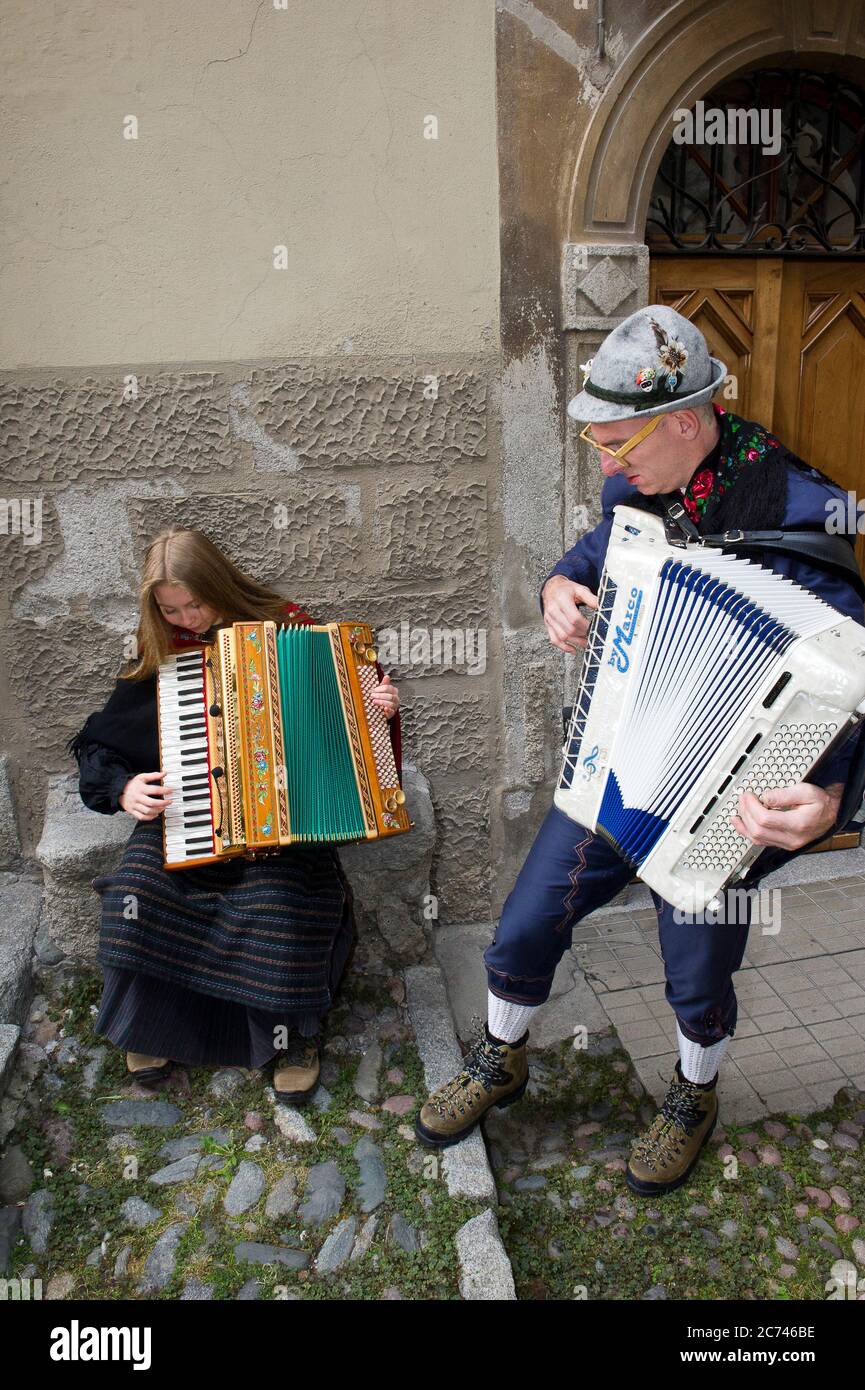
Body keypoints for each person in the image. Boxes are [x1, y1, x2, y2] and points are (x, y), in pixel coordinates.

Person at [415, 304, 865, 1197]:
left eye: (620, 445)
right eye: (600, 448)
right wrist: (558, 584)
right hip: (622, 764)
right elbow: (594, 550)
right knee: (523, 924)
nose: (608, 465)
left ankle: (692, 1095)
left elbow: (853, 685)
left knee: (695, 968)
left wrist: (834, 803)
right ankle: (503, 1053)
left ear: (689, 422)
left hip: (727, 794)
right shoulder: (639, 488)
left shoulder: (807, 517)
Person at [67, 526, 401, 1104]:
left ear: (219, 584)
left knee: (278, 903)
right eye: (170, 608)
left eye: (195, 602)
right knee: (139, 888)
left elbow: (356, 741)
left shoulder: (290, 625)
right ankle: (151, 1023)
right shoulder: (162, 650)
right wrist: (122, 789)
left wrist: (379, 710)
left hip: (288, 828)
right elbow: (102, 744)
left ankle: (291, 1036)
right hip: (190, 808)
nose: (186, 617)